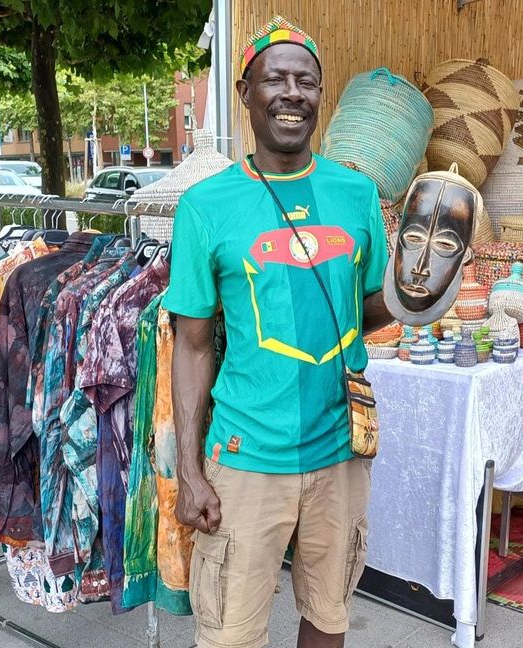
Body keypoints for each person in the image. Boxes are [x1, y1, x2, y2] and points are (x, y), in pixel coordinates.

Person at [162, 15, 393, 648]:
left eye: (308, 81)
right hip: (245, 457)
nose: (293, 93)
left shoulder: (357, 195)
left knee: (328, 618)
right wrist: (190, 470)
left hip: (339, 453)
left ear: (322, 94)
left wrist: (415, 297)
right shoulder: (205, 207)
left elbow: (366, 310)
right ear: (245, 94)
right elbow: (192, 343)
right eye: (276, 80)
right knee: (231, 634)